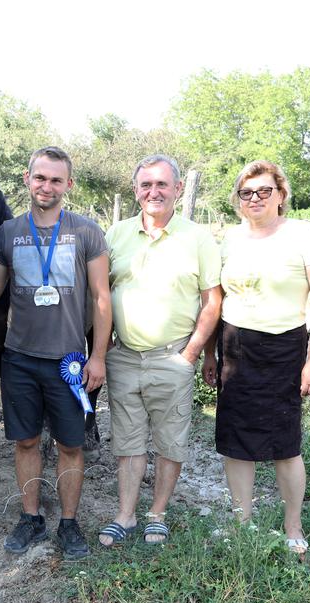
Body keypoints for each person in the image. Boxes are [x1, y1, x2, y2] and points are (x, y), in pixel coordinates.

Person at [0, 146, 111, 559]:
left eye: (56, 179)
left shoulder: (86, 232)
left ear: (68, 184)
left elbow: (102, 299)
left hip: (69, 362)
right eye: (40, 178)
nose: (46, 186)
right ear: (27, 179)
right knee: (26, 443)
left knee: (70, 445)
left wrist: (97, 356)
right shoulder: (9, 233)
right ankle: (30, 518)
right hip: (19, 359)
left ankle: (68, 523)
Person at [202, 160, 310, 556]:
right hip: (235, 345)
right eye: (247, 193)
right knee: (235, 439)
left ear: (281, 195)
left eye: (264, 191)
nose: (255, 198)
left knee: (285, 443)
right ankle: (241, 522)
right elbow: (216, 301)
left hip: (284, 347)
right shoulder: (229, 238)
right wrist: (210, 354)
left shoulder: (302, 234)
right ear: (238, 200)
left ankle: (292, 525)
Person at [99, 154, 222, 547]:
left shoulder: (198, 238)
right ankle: (126, 514)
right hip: (124, 355)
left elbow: (212, 301)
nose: (154, 192)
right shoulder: (114, 234)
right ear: (135, 191)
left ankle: (157, 514)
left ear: (178, 189)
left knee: (170, 440)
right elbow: (100, 296)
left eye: (162, 185)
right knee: (128, 441)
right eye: (146, 185)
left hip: (172, 356)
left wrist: (191, 354)